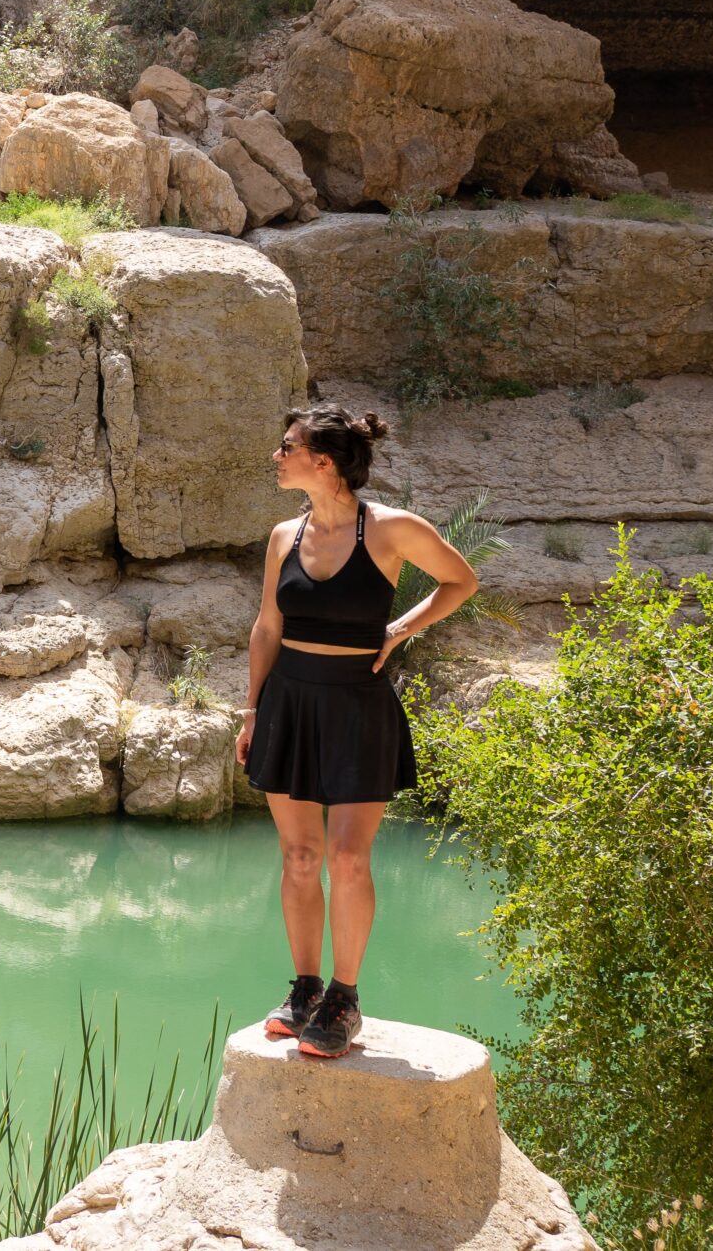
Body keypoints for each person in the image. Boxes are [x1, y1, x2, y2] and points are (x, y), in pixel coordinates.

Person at [236, 403, 477, 1059]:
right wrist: (252, 711)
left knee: (346, 858)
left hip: (358, 707)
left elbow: (461, 580)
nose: (276, 456)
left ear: (323, 461)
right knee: (299, 857)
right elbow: (267, 627)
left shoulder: (393, 529)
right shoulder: (284, 536)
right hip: (288, 703)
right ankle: (305, 989)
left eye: (287, 446)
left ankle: (344, 999)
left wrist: (400, 629)